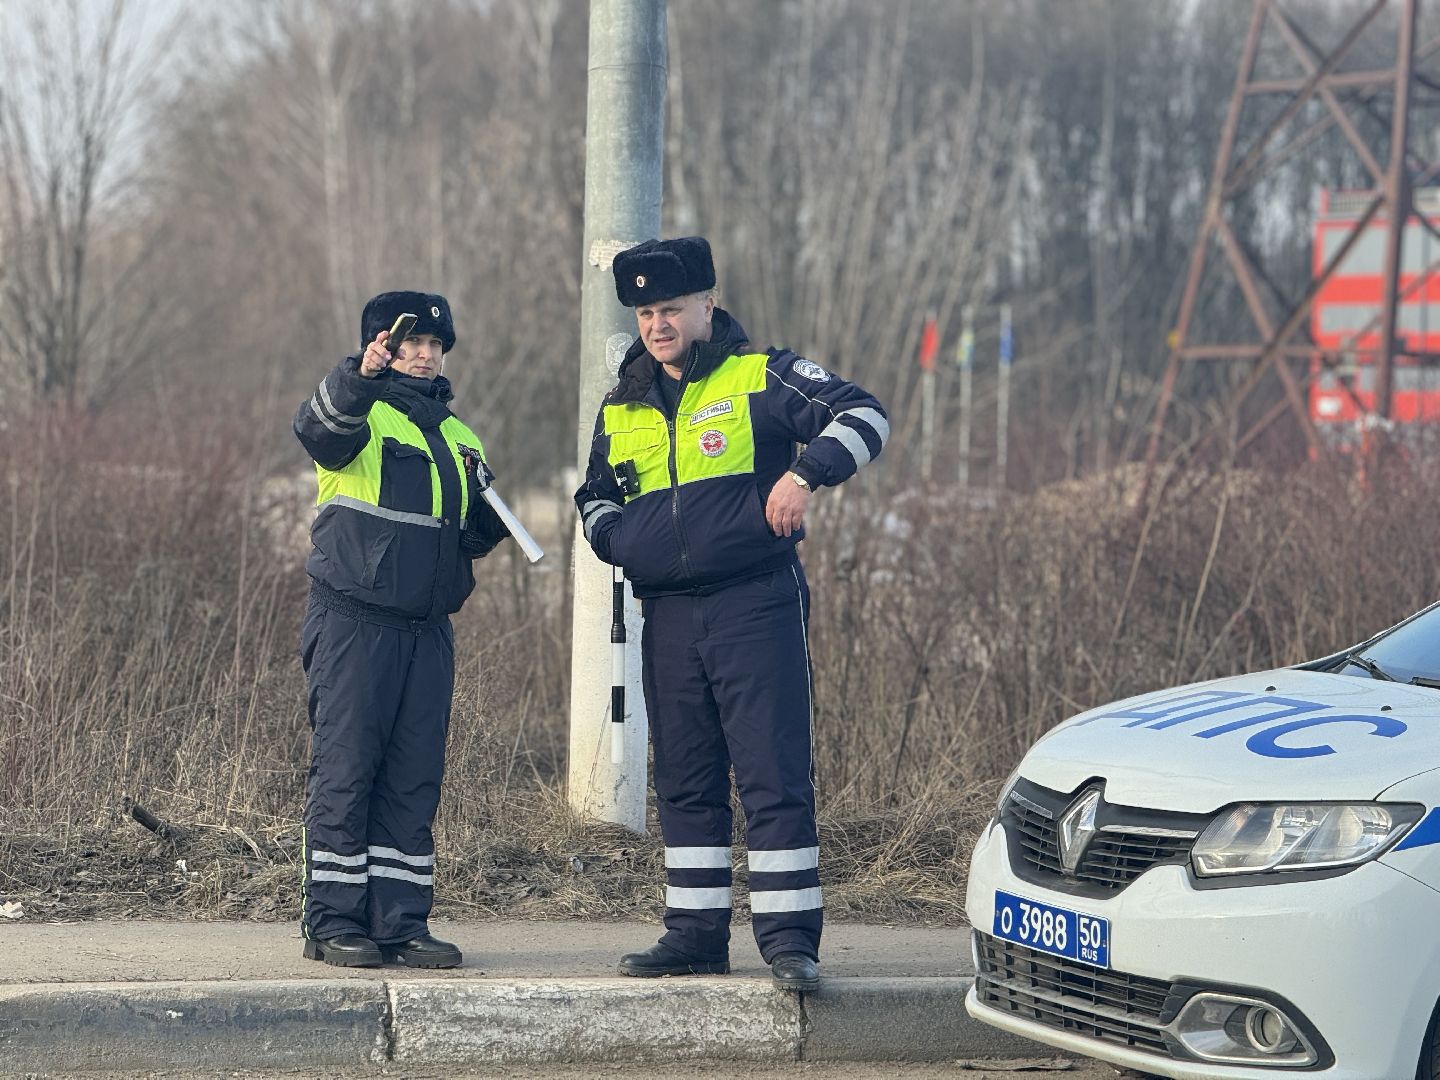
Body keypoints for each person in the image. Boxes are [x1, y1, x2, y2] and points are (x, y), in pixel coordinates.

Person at [573, 237, 889, 991]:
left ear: (707, 305)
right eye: (646, 312)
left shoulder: (764, 375)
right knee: (684, 779)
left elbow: (865, 415)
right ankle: (694, 934)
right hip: (670, 615)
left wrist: (805, 475)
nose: (658, 323)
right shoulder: (621, 404)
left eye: (672, 308)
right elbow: (592, 496)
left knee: (771, 773)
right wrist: (616, 538)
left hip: (755, 602)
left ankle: (788, 945)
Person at [292, 290, 508, 968]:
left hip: (427, 632)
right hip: (355, 621)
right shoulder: (363, 413)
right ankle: (331, 923)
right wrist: (358, 375)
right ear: (382, 346)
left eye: (435, 346)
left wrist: (488, 525)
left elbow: (459, 534)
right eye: (410, 343)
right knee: (348, 771)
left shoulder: (459, 435)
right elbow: (318, 427)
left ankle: (401, 924)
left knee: (414, 779)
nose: (424, 355)